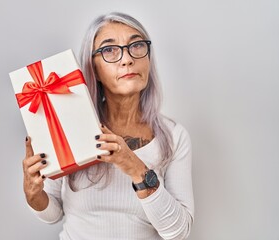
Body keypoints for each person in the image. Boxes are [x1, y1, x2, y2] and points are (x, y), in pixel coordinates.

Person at [22, 12, 194, 240]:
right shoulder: (67, 127)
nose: (127, 59)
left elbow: (178, 231)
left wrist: (134, 166)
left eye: (137, 45)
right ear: (93, 68)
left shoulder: (173, 136)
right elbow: (53, 213)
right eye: (110, 50)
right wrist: (33, 194)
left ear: (148, 59)